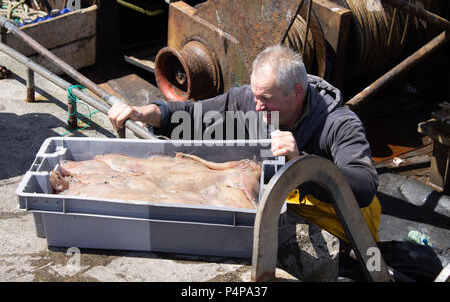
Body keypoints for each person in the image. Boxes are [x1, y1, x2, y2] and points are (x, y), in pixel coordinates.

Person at [108, 45, 381, 243]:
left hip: (332, 214)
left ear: (298, 93)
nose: (258, 106)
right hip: (275, 200)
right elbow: (192, 117)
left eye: (267, 99)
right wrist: (143, 113)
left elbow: (365, 186)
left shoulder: (339, 124)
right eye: (255, 95)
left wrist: (302, 163)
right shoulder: (250, 100)